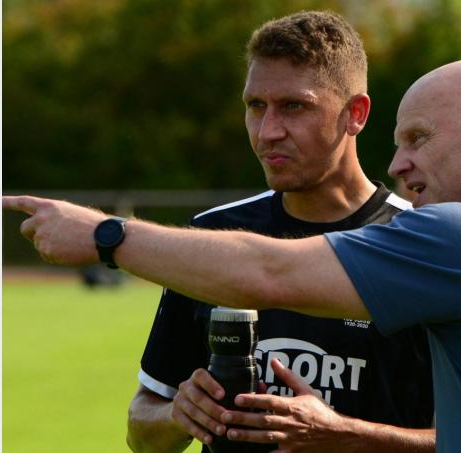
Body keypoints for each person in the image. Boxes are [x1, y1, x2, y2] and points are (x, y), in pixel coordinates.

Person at [4, 58, 461, 451]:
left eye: (418, 138)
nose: (399, 164)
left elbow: (267, 271)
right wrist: (180, 416)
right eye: (254, 107)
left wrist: (107, 236)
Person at [131, 11, 434, 453]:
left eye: (294, 106)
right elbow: (141, 430)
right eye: (256, 106)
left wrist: (344, 436)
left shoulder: (423, 245)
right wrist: (178, 414)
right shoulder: (212, 235)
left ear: (355, 114)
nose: (267, 132)